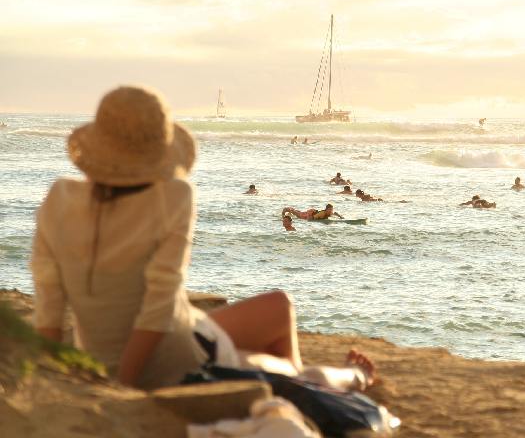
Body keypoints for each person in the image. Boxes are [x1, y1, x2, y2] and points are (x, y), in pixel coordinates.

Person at [31, 86, 373, 392]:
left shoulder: (59, 197)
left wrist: (56, 378)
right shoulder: (173, 195)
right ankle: (352, 378)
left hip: (122, 346)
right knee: (289, 371)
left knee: (278, 307)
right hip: (174, 359)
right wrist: (122, 388)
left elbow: (48, 309)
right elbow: (157, 310)